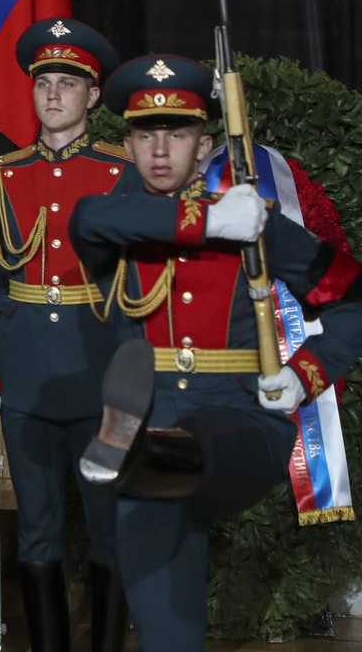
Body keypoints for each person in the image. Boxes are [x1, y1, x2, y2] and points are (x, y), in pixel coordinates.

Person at [71, 55, 362, 652]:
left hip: (242, 419)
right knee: (165, 634)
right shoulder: (112, 223)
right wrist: (207, 220)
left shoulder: (261, 226)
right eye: (146, 134)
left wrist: (306, 374)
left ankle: (141, 444)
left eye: (176, 133)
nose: (159, 149)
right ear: (126, 146)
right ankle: (140, 445)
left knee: (190, 444)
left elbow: (355, 300)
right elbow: (90, 215)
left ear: (204, 144)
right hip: (147, 435)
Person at [0, 18, 131, 652]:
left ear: (92, 96)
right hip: (28, 378)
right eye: (44, 83)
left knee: (109, 528)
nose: (53, 95)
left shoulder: (119, 173)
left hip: (102, 378)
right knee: (36, 531)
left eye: (68, 83)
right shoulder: (2, 175)